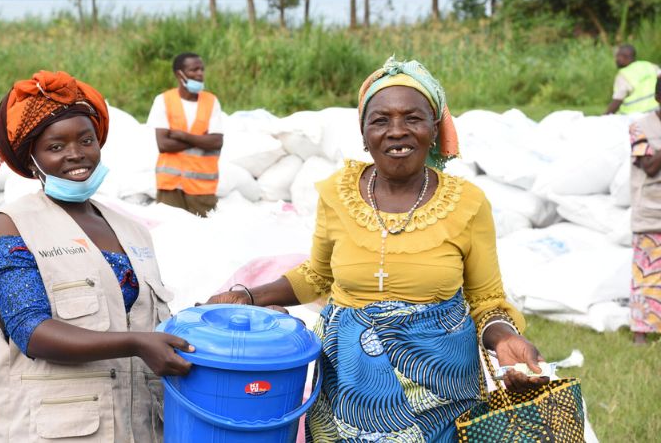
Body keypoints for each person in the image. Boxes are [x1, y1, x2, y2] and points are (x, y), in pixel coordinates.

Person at [207, 56, 549, 441]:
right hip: (347, 388)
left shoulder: (467, 204)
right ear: (363, 132)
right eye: (381, 120)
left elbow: (486, 300)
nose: (396, 132)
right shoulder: (338, 193)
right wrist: (248, 295)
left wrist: (504, 338)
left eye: (413, 119)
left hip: (443, 392)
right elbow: (317, 276)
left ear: (434, 129)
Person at [0, 70, 193, 442]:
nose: (76, 154)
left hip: (139, 429)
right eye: (55, 147)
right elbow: (31, 330)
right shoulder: (12, 227)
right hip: (58, 429)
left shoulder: (132, 230)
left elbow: (147, 320)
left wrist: (216, 316)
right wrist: (136, 344)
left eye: (86, 140)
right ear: (32, 160)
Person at [147, 52, 225, 216]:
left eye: (202, 69)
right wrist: (202, 139)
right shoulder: (163, 100)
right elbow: (163, 145)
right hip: (170, 186)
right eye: (194, 70)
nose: (200, 74)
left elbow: (216, 142)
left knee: (206, 235)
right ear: (179, 74)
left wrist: (182, 136)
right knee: (170, 233)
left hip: (202, 188)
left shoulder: (211, 101)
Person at [628, 77, 661, 344]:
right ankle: (641, 332)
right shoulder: (640, 127)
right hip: (651, 214)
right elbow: (649, 166)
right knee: (647, 273)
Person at [605, 44, 661, 115]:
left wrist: (604, 117)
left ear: (625, 57)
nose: (616, 59)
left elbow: (617, 101)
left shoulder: (623, 75)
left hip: (632, 117)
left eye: (618, 56)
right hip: (655, 112)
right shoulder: (649, 65)